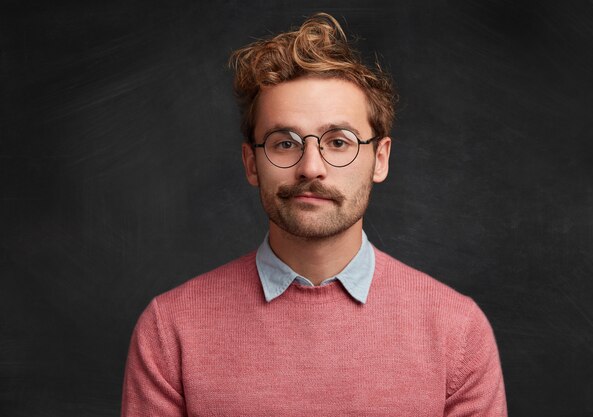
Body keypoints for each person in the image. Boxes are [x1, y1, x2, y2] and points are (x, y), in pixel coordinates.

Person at [121, 12, 507, 417]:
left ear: (380, 159)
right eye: (284, 143)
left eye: (338, 142)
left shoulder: (457, 331)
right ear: (251, 163)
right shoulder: (170, 329)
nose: (310, 167)